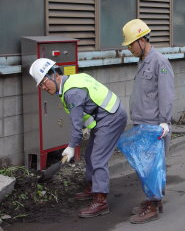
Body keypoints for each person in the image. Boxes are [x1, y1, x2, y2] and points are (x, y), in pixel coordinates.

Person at [29, 58, 127, 218]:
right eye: (40, 85)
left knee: (97, 158)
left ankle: (101, 201)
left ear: (55, 74)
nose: (44, 87)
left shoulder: (71, 92)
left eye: (44, 82)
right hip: (103, 116)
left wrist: (71, 147)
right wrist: (87, 127)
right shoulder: (71, 81)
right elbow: (88, 107)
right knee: (90, 154)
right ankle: (92, 187)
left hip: (112, 117)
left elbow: (75, 125)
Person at [121, 18, 174, 224]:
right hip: (142, 121)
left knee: (152, 166)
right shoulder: (143, 60)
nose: (130, 49)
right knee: (146, 166)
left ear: (142, 40)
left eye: (132, 44)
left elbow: (166, 94)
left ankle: (153, 206)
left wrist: (164, 122)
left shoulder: (160, 62)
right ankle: (153, 200)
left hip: (154, 124)